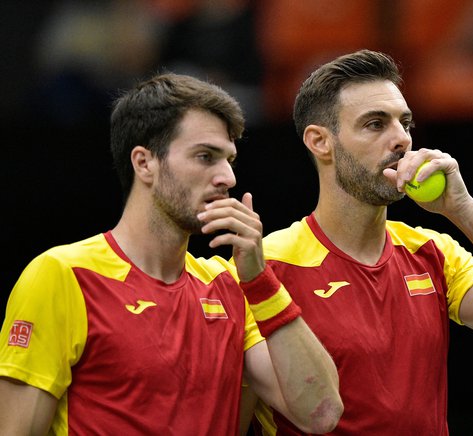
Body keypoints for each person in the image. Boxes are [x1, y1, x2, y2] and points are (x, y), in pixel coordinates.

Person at [237, 49, 473, 434]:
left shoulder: (432, 252)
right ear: (320, 142)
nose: (401, 139)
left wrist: (463, 210)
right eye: (374, 124)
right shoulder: (263, 268)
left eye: (405, 123)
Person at [0, 72, 342, 435]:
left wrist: (259, 280)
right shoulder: (62, 276)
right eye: (205, 156)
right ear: (145, 163)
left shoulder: (228, 287)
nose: (227, 177)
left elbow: (320, 413)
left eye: (229, 160)